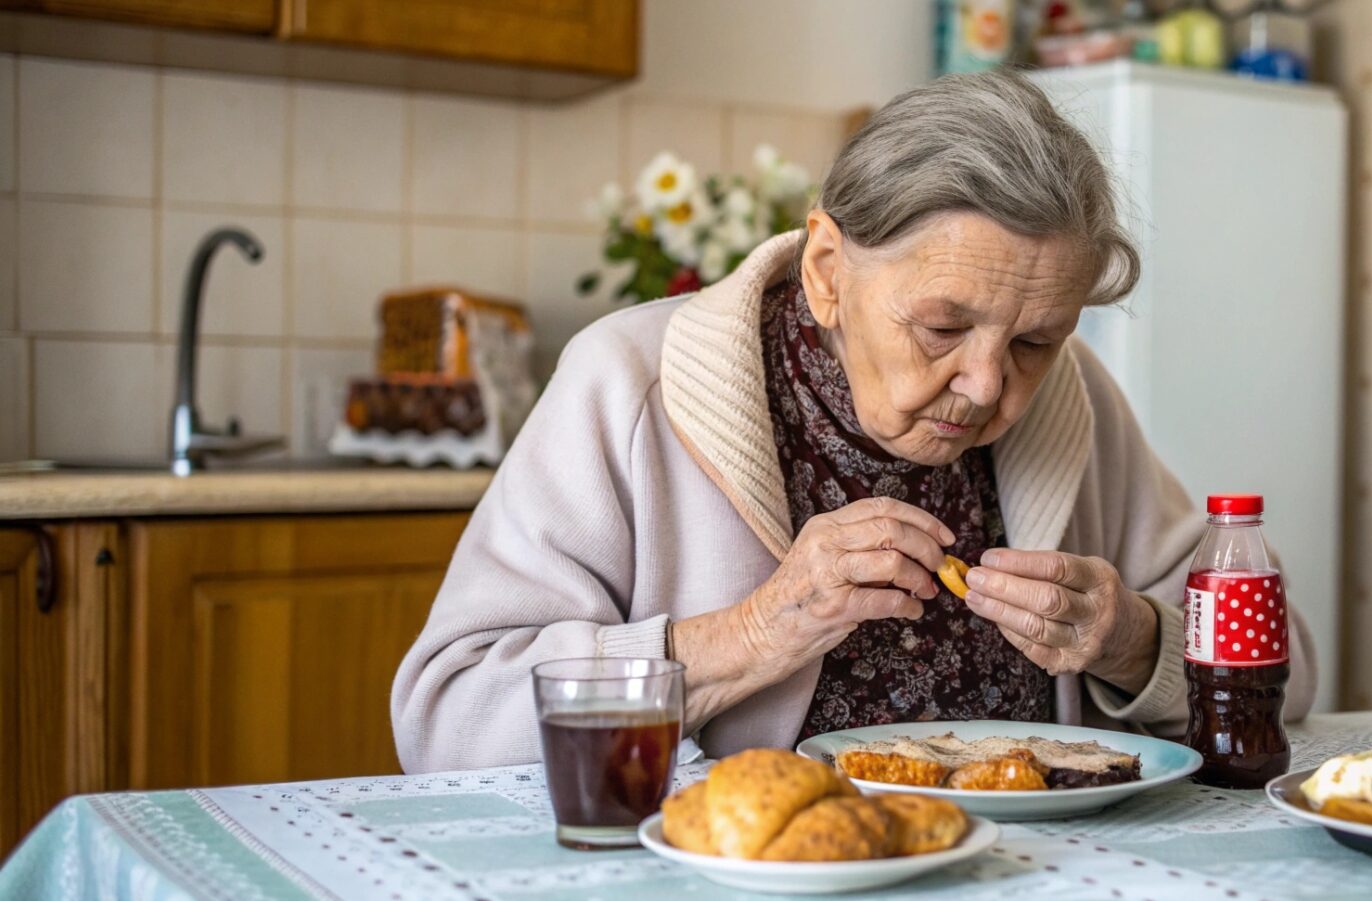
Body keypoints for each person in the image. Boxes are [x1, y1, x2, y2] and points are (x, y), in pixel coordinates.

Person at [391, 70, 1316, 772]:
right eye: (944, 327)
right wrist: (754, 633)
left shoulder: (1071, 402)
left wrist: (1132, 641)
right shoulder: (630, 383)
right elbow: (448, 717)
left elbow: (1292, 674)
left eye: (1034, 340)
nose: (989, 385)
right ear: (829, 269)